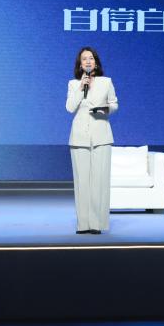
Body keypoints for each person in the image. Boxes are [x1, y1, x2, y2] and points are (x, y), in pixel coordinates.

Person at [66, 46, 118, 234]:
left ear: (96, 62)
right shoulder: (74, 84)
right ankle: (83, 224)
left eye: (91, 58)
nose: (88, 61)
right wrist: (81, 87)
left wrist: (106, 110)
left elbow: (114, 104)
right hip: (79, 136)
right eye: (84, 59)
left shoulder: (106, 82)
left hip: (101, 135)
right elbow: (70, 108)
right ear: (80, 65)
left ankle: (96, 224)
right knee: (82, 182)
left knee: (99, 181)